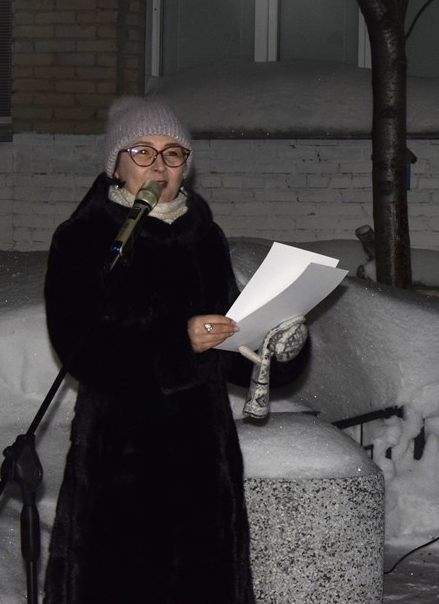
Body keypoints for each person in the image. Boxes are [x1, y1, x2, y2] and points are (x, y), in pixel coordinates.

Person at [42, 95, 309, 604]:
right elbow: (80, 348)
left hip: (203, 461)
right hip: (121, 460)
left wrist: (276, 344)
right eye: (142, 151)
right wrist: (177, 342)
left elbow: (229, 345)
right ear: (116, 164)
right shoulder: (84, 239)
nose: (159, 166)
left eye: (173, 153)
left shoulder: (205, 239)